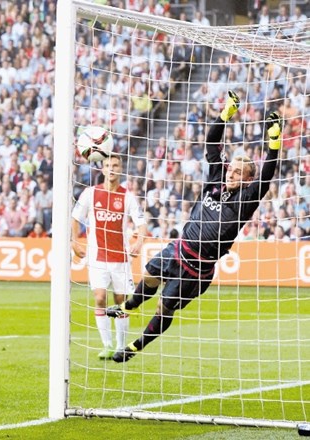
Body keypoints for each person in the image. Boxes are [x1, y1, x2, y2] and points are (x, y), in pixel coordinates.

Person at [107, 92, 283, 363]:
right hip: (178, 249)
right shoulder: (216, 178)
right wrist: (226, 114)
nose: (231, 173)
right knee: (150, 276)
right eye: (231, 169)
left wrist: (274, 143)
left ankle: (134, 347)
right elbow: (212, 142)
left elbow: (268, 174)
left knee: (164, 307)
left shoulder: (246, 199)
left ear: (248, 179)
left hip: (197, 268)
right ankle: (126, 306)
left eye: (238, 172)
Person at [71, 154, 147, 359]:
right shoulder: (90, 193)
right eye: (107, 165)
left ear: (120, 169)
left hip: (120, 259)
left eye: (115, 165)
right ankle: (107, 345)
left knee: (121, 301)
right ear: (102, 169)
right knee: (100, 297)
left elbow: (141, 224)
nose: (111, 169)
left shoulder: (127, 197)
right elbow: (75, 218)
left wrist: (139, 242)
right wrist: (74, 241)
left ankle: (121, 346)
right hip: (97, 257)